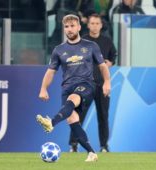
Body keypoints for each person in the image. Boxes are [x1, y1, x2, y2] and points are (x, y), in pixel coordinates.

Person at [36, 14, 111, 162]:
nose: (69, 29)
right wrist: (43, 89)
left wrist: (107, 82)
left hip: (86, 85)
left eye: (72, 26)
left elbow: (103, 67)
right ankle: (91, 152)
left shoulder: (91, 46)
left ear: (79, 27)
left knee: (73, 99)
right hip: (67, 87)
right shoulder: (58, 50)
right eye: (66, 27)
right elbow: (50, 72)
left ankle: (51, 122)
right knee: (73, 121)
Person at [69, 13, 117, 153]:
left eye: (97, 23)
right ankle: (73, 144)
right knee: (78, 115)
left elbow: (112, 58)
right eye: (92, 23)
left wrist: (110, 63)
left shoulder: (107, 42)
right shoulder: (82, 40)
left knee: (103, 116)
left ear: (101, 25)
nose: (95, 26)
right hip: (85, 85)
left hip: (103, 85)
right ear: (88, 25)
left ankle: (104, 146)